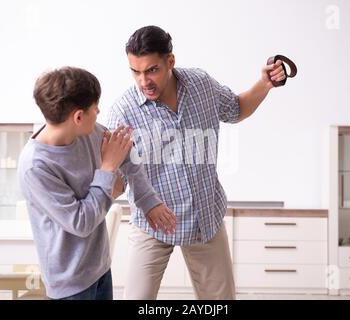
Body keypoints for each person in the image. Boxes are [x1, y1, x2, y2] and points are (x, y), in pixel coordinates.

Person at [107, 25, 286, 300]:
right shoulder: (123, 111)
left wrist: (265, 84)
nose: (144, 81)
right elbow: (117, 175)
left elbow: (237, 109)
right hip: (151, 223)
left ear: (170, 61)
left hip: (204, 217)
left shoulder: (201, 84)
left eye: (151, 70)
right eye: (136, 72)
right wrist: (91, 201)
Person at [18, 66, 175, 300]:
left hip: (100, 269)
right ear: (78, 117)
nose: (99, 110)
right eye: (95, 108)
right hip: (69, 285)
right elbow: (81, 222)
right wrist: (108, 169)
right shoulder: (36, 167)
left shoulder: (90, 132)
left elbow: (127, 154)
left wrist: (148, 201)